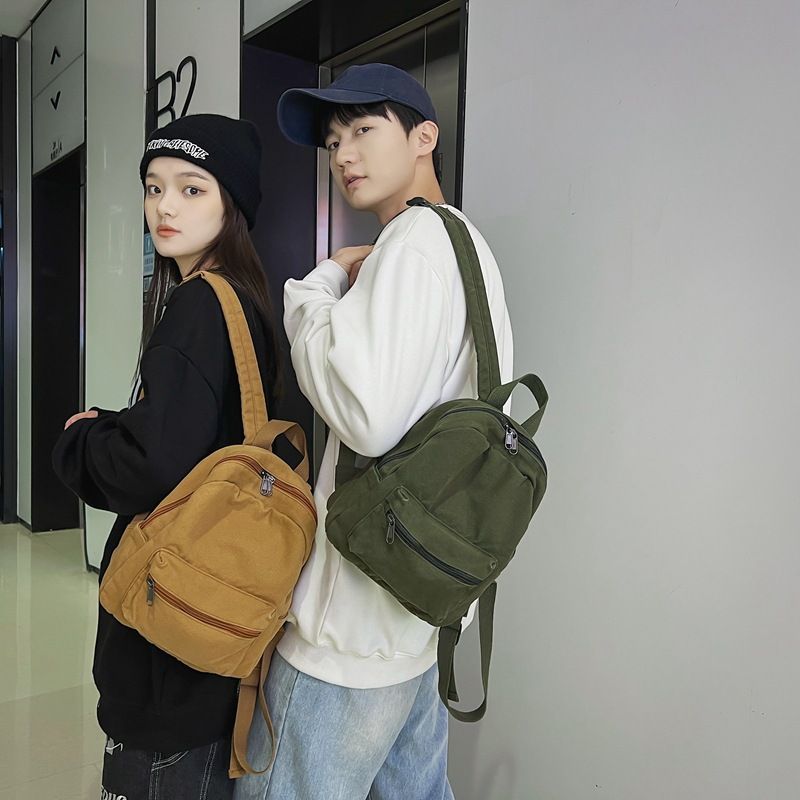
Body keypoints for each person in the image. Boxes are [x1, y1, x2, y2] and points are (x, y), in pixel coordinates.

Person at [234, 63, 514, 800]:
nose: (344, 154)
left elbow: (366, 414)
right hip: (419, 610)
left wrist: (317, 289)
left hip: (352, 634)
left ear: (425, 137)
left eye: (363, 128)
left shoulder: (412, 244)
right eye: (333, 142)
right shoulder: (467, 247)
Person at [52, 113, 281, 800]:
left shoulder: (196, 307)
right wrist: (123, 422)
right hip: (218, 623)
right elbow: (198, 437)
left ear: (231, 203)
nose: (164, 207)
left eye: (191, 189)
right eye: (154, 188)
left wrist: (80, 443)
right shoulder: (247, 302)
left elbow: (152, 467)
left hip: (168, 640)